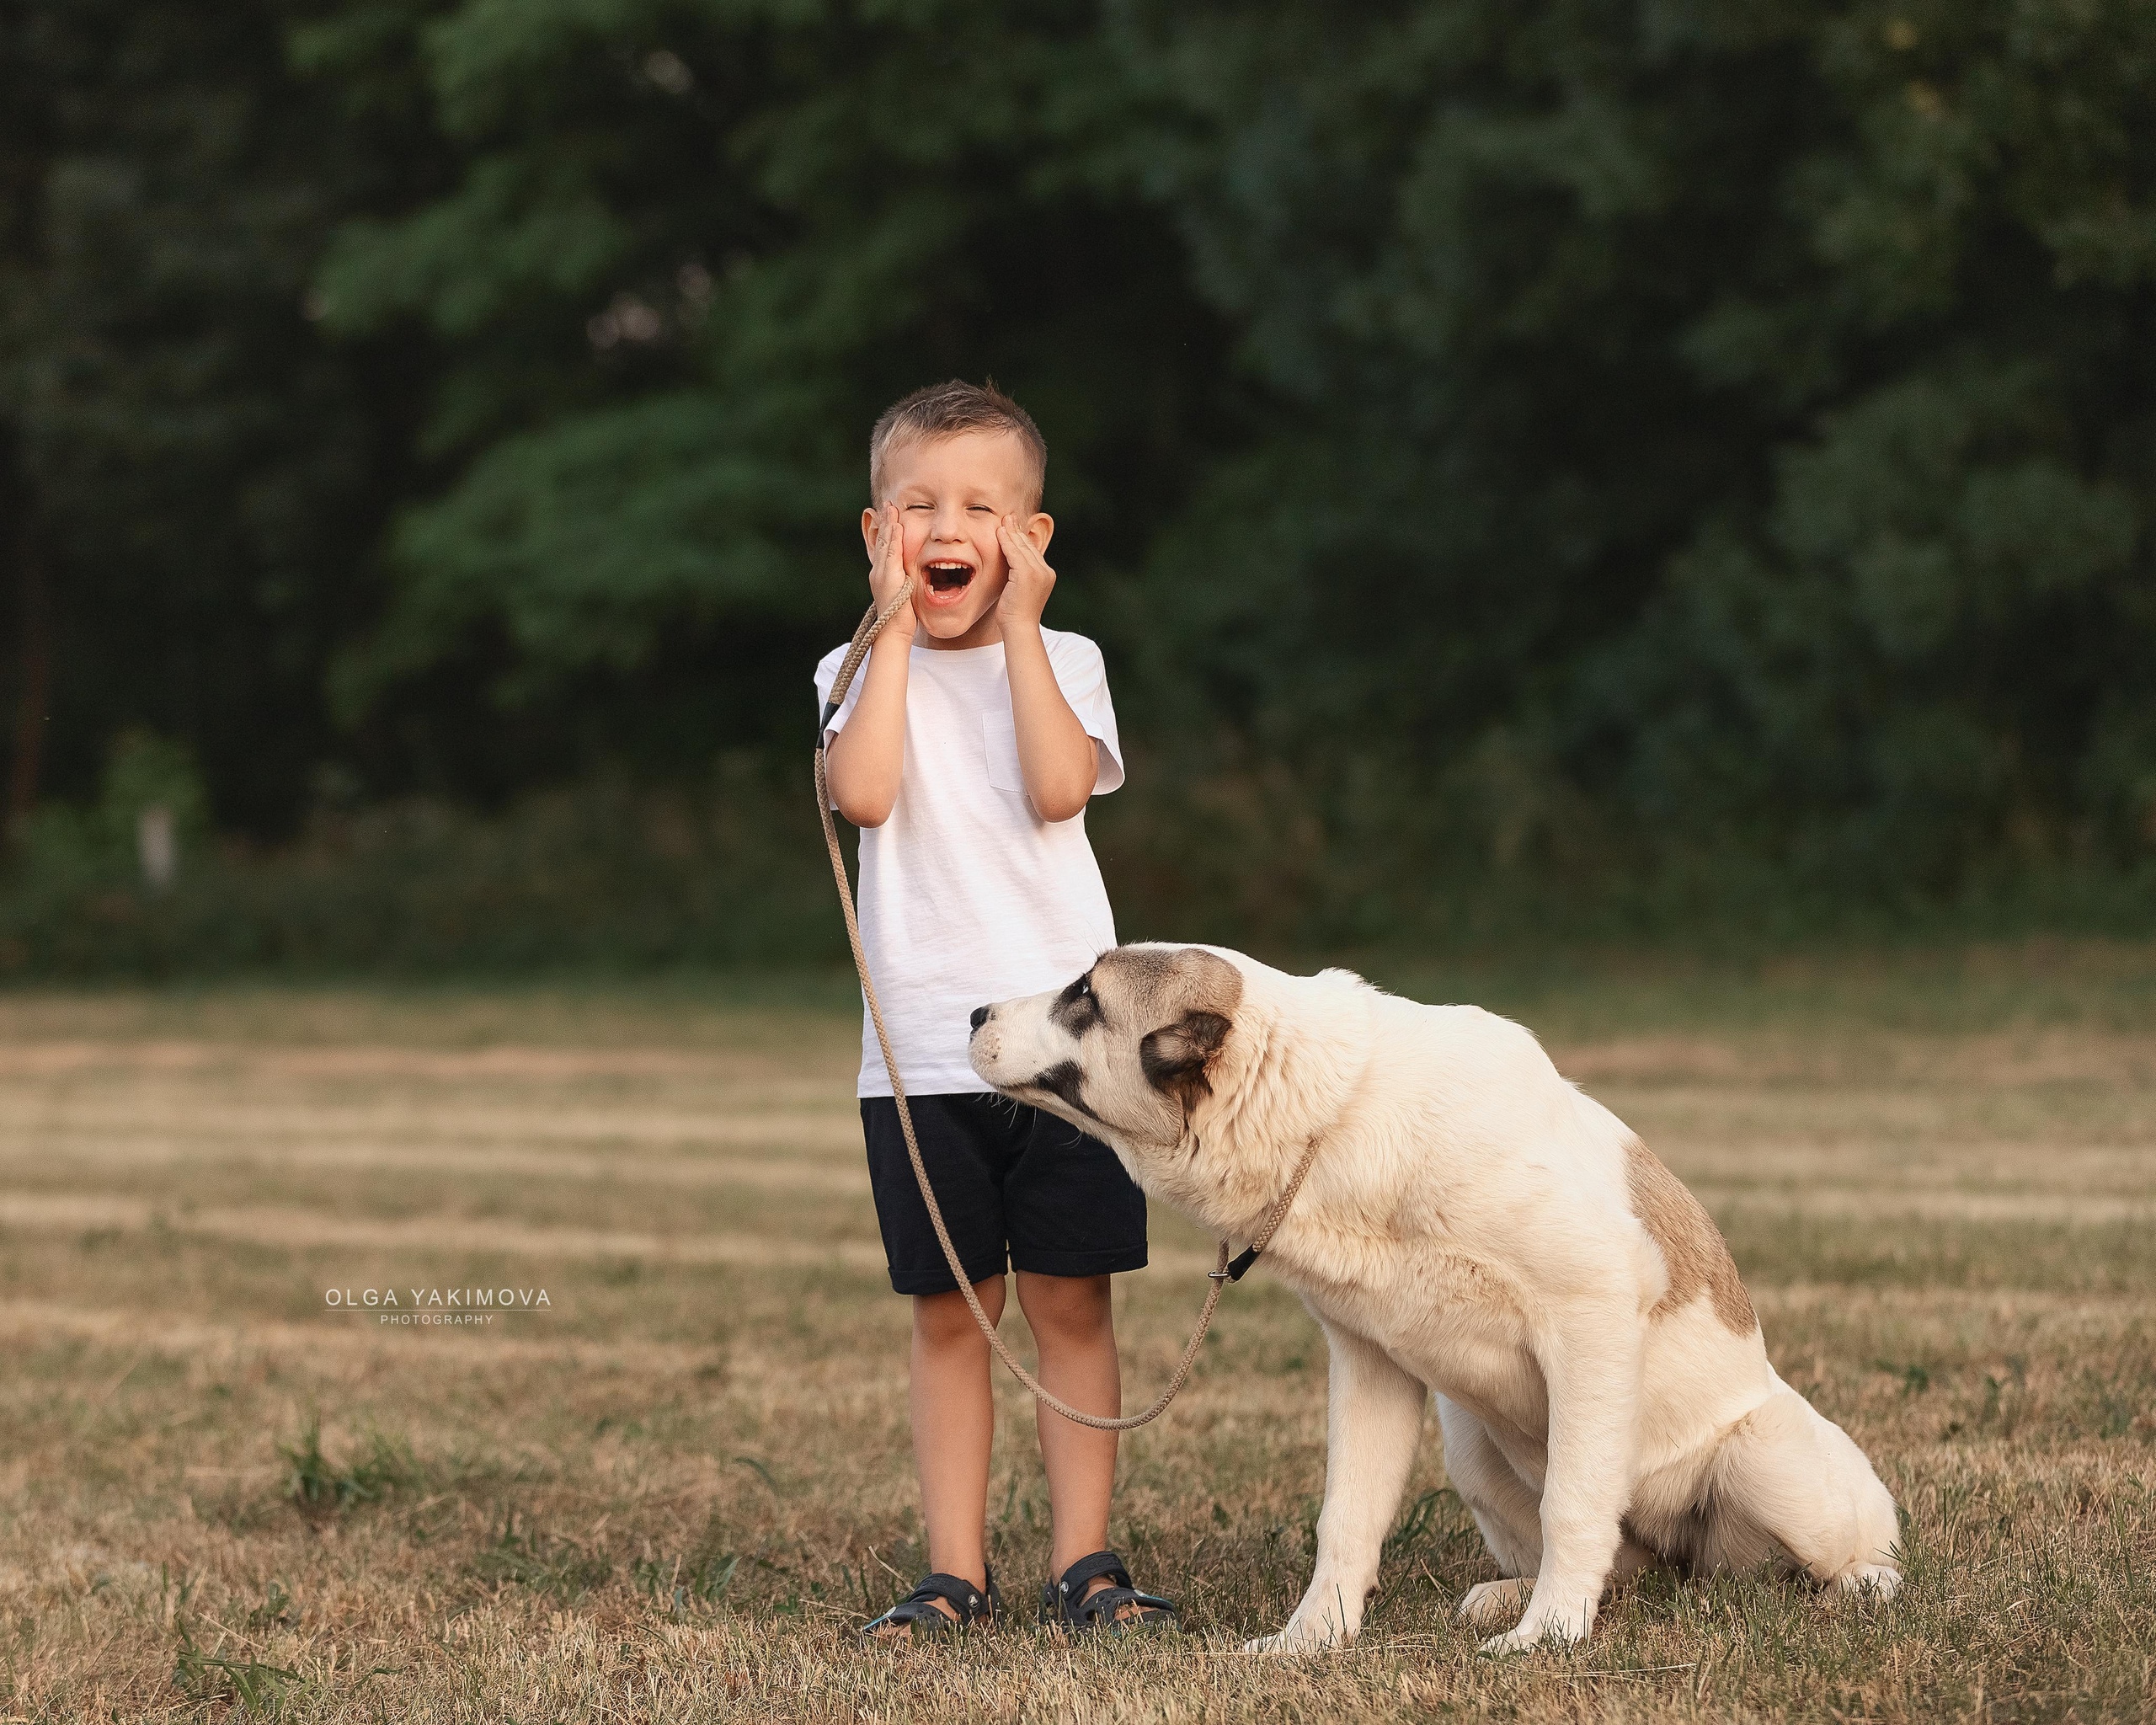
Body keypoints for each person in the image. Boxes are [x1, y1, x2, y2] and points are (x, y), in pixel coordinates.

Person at [815, 380, 1175, 1642]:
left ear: (1031, 541)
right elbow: (862, 797)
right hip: (919, 1057)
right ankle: (953, 1571)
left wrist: (1021, 629)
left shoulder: (1063, 661)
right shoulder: (855, 668)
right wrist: (896, 637)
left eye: (981, 507)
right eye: (919, 507)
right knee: (953, 1311)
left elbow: (1059, 788)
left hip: (1067, 1056)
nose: (946, 526)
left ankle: (1087, 1565)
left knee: (1073, 1302)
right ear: (878, 537)